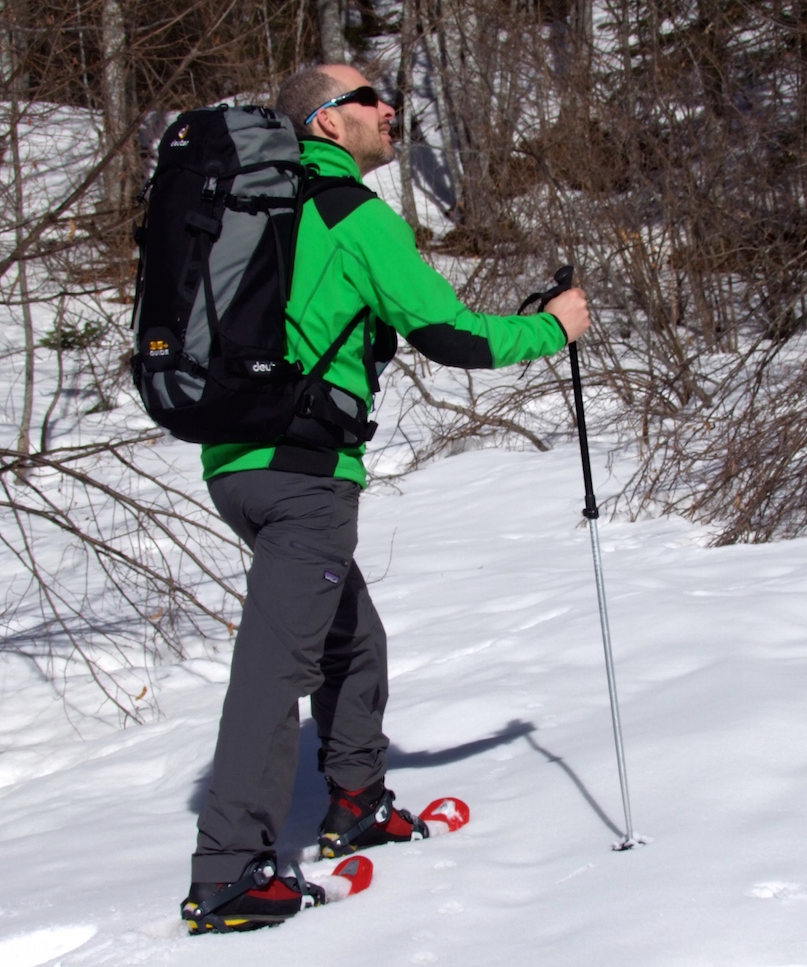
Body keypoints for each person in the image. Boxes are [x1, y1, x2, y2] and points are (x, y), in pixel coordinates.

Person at [180, 62, 590, 933]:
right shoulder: (351, 214)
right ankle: (228, 872)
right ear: (328, 123)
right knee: (277, 664)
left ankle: (355, 798)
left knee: (349, 637)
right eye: (368, 98)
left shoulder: (265, 214)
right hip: (302, 476)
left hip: (238, 465)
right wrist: (555, 328)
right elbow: (449, 333)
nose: (387, 109)